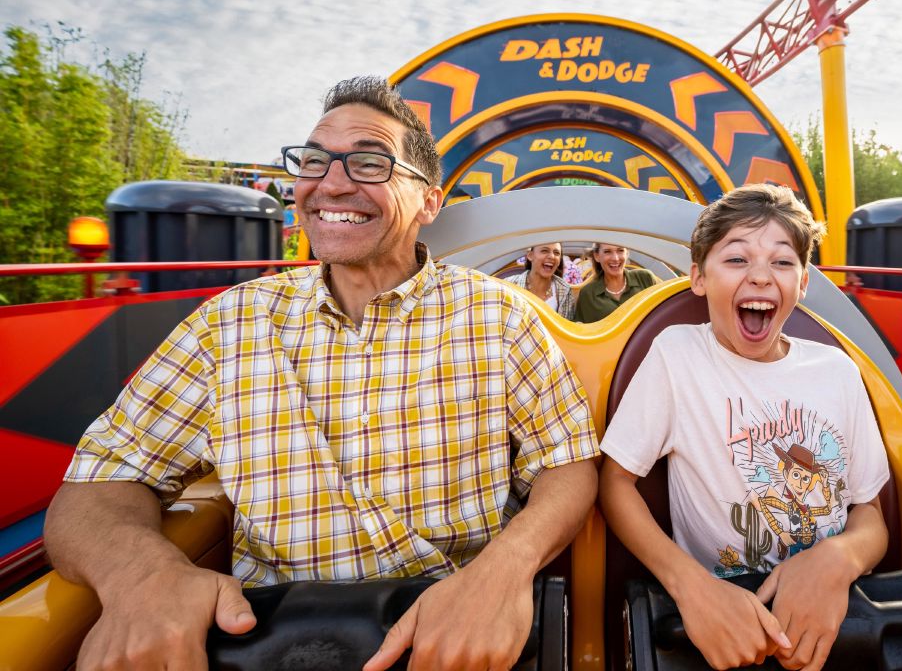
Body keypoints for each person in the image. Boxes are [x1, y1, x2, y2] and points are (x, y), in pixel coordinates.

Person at [43, 76, 600, 671]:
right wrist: (141, 577)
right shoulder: (228, 323)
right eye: (314, 160)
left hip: (449, 623)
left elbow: (566, 467)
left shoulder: (500, 316)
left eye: (368, 163)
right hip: (270, 635)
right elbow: (100, 481)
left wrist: (502, 573)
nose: (331, 182)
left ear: (430, 202)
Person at [598, 184, 889, 671]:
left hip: (838, 609)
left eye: (781, 262)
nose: (760, 276)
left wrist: (838, 561)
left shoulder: (838, 370)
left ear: (803, 283)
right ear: (699, 277)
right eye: (736, 260)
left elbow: (870, 512)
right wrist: (691, 587)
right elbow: (615, 482)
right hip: (729, 604)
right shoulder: (677, 355)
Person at [572, 242, 660, 323]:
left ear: (627, 253)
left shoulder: (645, 278)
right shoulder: (588, 293)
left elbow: (665, 310)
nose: (615, 258)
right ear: (597, 256)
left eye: (620, 250)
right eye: (607, 251)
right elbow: (582, 330)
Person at [505, 242, 576, 319]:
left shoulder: (565, 290)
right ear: (530, 255)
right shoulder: (509, 286)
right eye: (544, 251)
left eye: (556, 253)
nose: (552, 256)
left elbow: (568, 327)